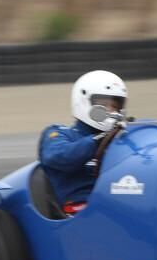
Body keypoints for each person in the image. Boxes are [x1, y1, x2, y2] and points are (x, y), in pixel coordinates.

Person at [38, 70, 127, 215]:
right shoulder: (60, 133)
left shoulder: (119, 137)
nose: (110, 111)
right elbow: (59, 156)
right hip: (80, 206)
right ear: (84, 101)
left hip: (116, 198)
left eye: (115, 106)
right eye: (103, 104)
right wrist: (97, 141)